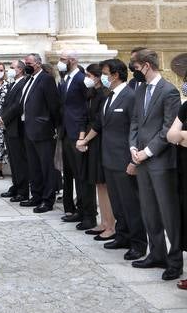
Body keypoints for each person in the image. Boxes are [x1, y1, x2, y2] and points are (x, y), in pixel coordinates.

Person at [79, 59, 146, 259]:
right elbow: (99, 123)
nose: (105, 78)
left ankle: (138, 243)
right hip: (108, 158)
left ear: (115, 75)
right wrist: (83, 141)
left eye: (106, 74)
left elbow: (137, 129)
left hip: (124, 158)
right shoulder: (109, 96)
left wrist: (134, 160)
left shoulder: (130, 96)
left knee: (130, 203)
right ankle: (122, 235)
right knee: (117, 202)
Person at [129, 48, 182, 281]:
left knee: (168, 212)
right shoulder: (140, 89)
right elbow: (135, 121)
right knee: (149, 210)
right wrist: (133, 147)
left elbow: (168, 129)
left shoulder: (168, 91)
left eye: (135, 67)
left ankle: (175, 260)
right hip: (140, 159)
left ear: (146, 66)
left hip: (160, 161)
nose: (134, 71)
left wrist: (147, 152)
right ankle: (157, 253)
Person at [15, 53, 60, 213]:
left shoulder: (46, 79)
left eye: (30, 63)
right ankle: (36, 195)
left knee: (46, 166)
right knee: (33, 166)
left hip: (43, 130)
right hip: (28, 128)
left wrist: (54, 126)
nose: (27, 65)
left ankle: (47, 200)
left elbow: (54, 105)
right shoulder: (29, 79)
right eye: (25, 62)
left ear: (38, 64)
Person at [76, 63, 116, 241]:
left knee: (104, 184)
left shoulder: (104, 95)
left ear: (98, 76)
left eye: (89, 75)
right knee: (98, 184)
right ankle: (103, 221)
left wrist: (85, 139)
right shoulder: (90, 93)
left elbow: (98, 122)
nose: (87, 79)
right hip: (89, 140)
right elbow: (84, 117)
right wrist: (81, 137)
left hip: (98, 141)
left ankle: (111, 225)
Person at [57, 51, 97, 231]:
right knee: (71, 172)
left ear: (72, 60)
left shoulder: (81, 78)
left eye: (63, 59)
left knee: (81, 175)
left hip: (77, 132)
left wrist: (82, 133)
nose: (60, 62)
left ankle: (88, 213)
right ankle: (78, 209)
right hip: (66, 131)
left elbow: (86, 105)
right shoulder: (66, 79)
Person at [0, 59, 29, 202]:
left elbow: (17, 105)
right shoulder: (13, 83)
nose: (8, 70)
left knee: (19, 160)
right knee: (13, 160)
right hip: (9, 127)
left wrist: (4, 118)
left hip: (16, 126)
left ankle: (22, 190)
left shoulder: (23, 83)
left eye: (12, 67)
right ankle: (16, 185)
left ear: (20, 70)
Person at [167, 100, 187, 289]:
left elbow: (177, 135)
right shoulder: (186, 105)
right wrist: (182, 135)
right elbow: (171, 135)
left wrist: (180, 134)